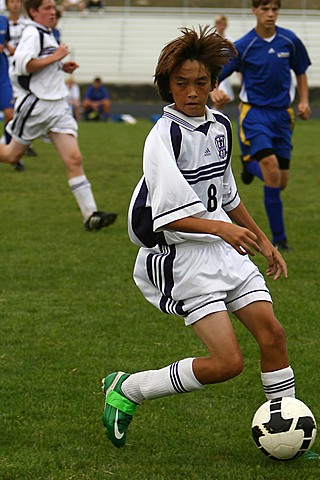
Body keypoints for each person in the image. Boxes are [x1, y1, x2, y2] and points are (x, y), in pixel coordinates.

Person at [101, 26, 297, 450]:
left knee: (274, 336)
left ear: (213, 83)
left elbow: (226, 196)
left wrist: (264, 242)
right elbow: (170, 216)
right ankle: (129, 389)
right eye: (181, 83)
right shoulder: (163, 136)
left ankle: (284, 432)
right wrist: (224, 230)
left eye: (201, 83)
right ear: (166, 86)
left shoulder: (221, 125)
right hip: (181, 256)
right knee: (228, 363)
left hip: (224, 250)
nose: (192, 92)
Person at [0, 0, 117, 231]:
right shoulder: (33, 33)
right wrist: (57, 57)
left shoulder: (47, 33)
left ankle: (90, 215)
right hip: (36, 106)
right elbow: (23, 66)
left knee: (74, 159)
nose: (53, 12)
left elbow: (40, 65)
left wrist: (62, 67)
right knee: (11, 155)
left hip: (57, 106)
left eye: (53, 8)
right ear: (33, 11)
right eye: (47, 8)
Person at [211, 0, 311, 252]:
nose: (270, 14)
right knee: (272, 169)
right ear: (254, 10)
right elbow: (216, 76)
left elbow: (300, 71)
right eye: (264, 9)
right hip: (254, 114)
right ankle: (279, 238)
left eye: (274, 9)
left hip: (283, 116)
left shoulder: (289, 41)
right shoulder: (244, 45)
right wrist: (214, 92)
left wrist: (304, 101)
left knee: (279, 180)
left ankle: (248, 164)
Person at [6, 0, 38, 163]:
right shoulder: (3, 22)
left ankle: (19, 143)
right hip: (6, 70)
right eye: (12, 1)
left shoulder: (28, 26)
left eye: (18, 1)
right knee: (12, 110)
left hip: (22, 72)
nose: (16, 4)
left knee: (20, 108)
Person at [209, 14, 236, 109]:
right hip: (213, 72)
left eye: (223, 24)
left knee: (223, 99)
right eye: (219, 24)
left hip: (224, 72)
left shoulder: (231, 41)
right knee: (219, 97)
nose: (221, 27)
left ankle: (217, 116)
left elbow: (235, 59)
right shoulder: (211, 40)